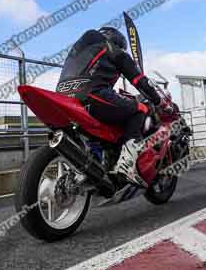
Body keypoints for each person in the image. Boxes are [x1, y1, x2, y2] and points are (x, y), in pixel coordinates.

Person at [56, 27, 171, 187]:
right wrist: (158, 101)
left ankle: (99, 162)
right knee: (140, 109)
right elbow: (139, 80)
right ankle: (127, 164)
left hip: (63, 96)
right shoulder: (114, 51)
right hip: (91, 95)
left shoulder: (81, 49)